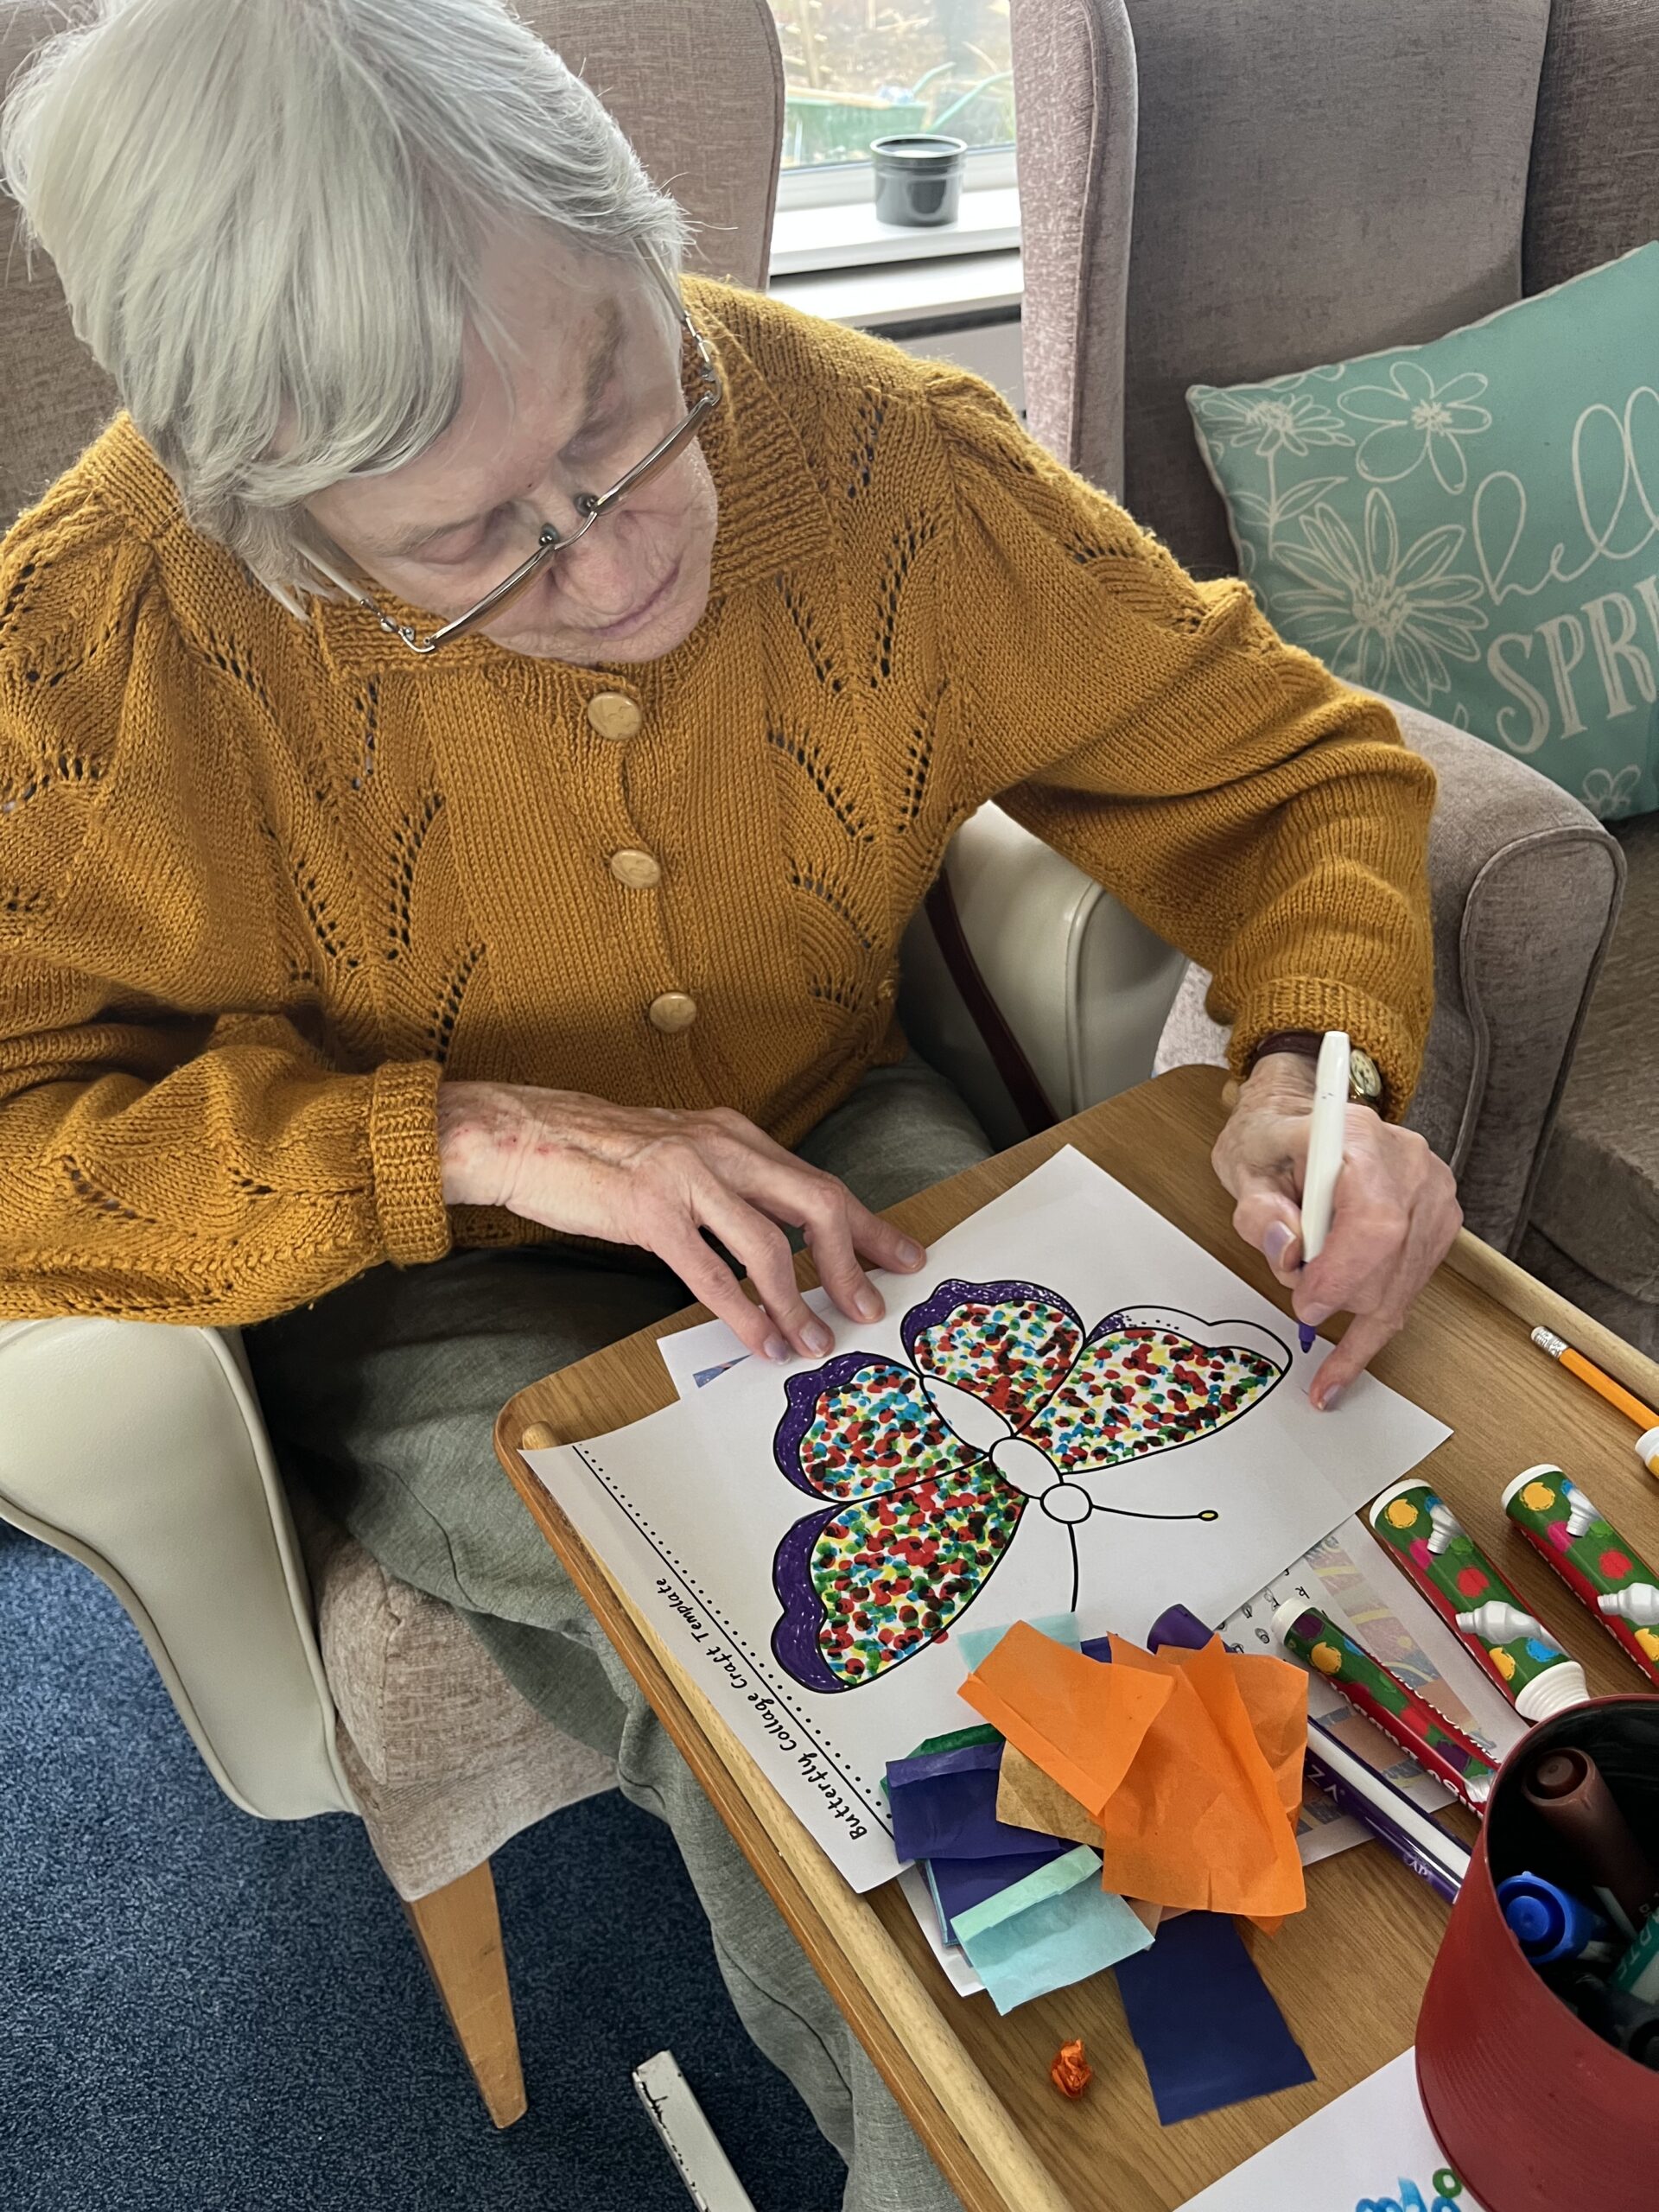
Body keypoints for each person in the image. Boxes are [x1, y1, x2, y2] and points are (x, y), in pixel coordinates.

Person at [0, 2, 1460, 2202]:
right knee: (817, 1730)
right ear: (275, 523)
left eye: (623, 413)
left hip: (821, 1122)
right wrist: (468, 1134)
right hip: (412, 1265)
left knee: (1220, 1555)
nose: (616, 569)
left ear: (643, 241)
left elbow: (1294, 766)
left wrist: (1310, 1065)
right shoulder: (94, 645)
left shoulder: (874, 453)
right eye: (475, 548)